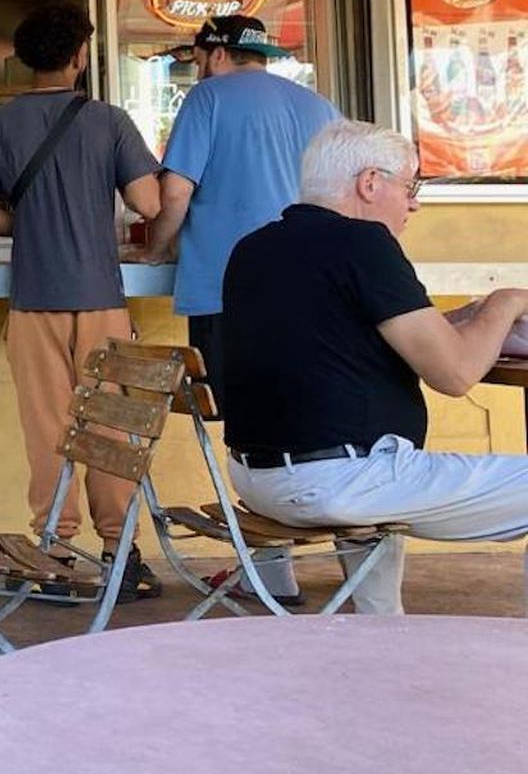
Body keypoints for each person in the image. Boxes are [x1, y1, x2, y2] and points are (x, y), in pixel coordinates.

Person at [220, 119, 528, 615]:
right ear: (369, 183)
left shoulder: (253, 248)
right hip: (341, 480)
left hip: (257, 479)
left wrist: (468, 318)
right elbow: (455, 375)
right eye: (410, 186)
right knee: (393, 463)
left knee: (387, 459)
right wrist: (505, 302)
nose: (414, 203)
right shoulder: (363, 244)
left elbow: (345, 339)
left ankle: (382, 633)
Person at [0, 2, 164, 597]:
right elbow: (150, 204)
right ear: (81, 56)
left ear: (24, 59)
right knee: (107, 430)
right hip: (101, 301)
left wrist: (26, 224)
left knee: (47, 431)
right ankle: (118, 553)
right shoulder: (110, 122)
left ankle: (54, 550)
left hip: (32, 305)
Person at [140, 15, 338, 605]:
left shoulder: (207, 98)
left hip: (228, 286)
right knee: (307, 416)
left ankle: (272, 567)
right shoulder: (318, 106)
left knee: (245, 427)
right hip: (310, 286)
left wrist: (155, 247)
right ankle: (319, 554)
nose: (195, 65)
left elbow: (175, 193)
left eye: (198, 55)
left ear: (218, 53)